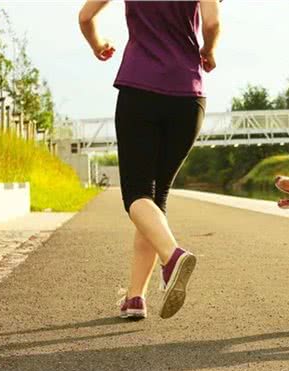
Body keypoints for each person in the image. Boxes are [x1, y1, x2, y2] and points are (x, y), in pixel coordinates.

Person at [79, 0, 220, 320]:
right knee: (155, 198)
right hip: (188, 96)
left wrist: (98, 46)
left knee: (137, 195)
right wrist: (208, 51)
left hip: (139, 90)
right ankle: (135, 297)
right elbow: (211, 23)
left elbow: (86, 16)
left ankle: (172, 257)